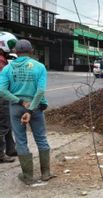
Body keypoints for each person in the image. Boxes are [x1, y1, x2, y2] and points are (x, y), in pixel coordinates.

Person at [0, 39, 54, 185]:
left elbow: (2, 91)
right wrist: (31, 108)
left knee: (21, 141)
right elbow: (41, 90)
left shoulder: (7, 69)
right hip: (35, 107)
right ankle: (46, 173)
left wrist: (19, 101)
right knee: (41, 139)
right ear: (31, 51)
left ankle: (28, 176)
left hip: (16, 108)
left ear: (15, 52)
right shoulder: (39, 67)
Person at [0, 32, 17, 163]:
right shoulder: (1, 61)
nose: (12, 48)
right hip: (2, 96)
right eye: (11, 45)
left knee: (8, 123)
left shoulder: (3, 59)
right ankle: (1, 154)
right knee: (3, 124)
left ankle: (11, 149)